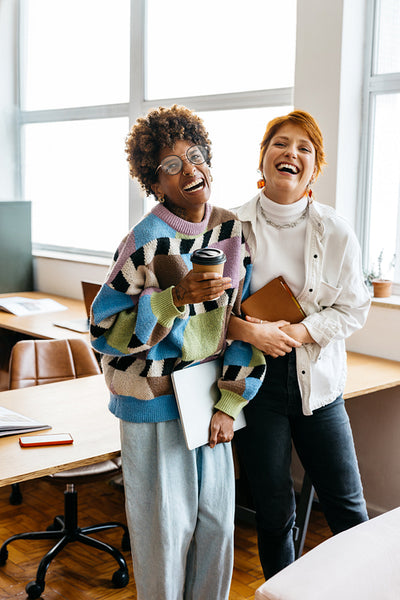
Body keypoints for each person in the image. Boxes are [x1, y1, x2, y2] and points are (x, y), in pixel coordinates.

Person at [89, 104, 265, 600]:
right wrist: (173, 299)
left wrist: (232, 402)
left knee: (216, 528)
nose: (189, 169)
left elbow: (243, 324)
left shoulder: (232, 231)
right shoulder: (145, 241)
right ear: (155, 182)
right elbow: (104, 331)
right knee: (164, 535)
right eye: (171, 165)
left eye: (195, 155)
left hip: (209, 399)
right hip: (151, 403)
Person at [227, 109, 371, 580]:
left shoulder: (336, 230)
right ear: (263, 157)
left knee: (348, 510)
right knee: (273, 512)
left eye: (304, 148)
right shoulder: (229, 227)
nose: (291, 153)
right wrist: (253, 331)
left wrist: (299, 332)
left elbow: (354, 308)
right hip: (254, 384)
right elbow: (209, 315)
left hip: (319, 385)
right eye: (280, 143)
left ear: (314, 168)